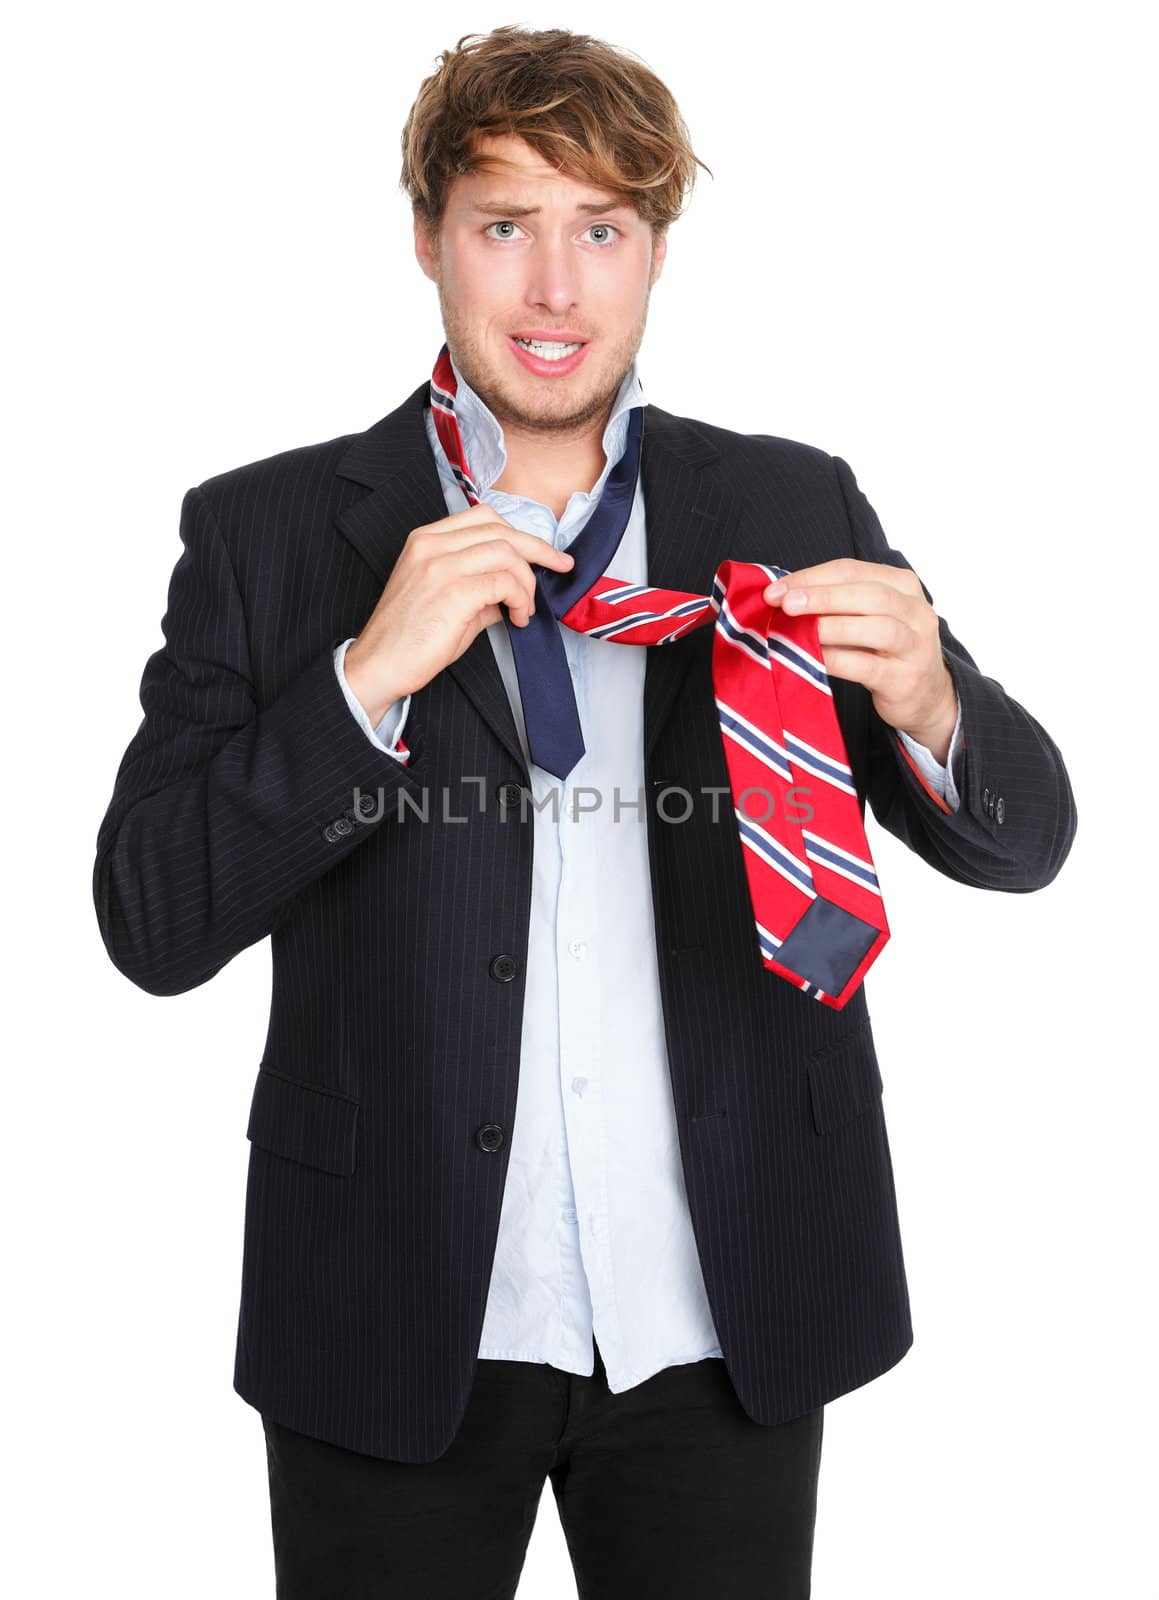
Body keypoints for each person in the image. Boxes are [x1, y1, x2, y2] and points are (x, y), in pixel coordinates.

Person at [92, 23, 1077, 1599]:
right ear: (429, 239)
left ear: (655, 256)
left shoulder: (787, 501)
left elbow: (1027, 839)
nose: (554, 291)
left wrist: (935, 707)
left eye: (600, 230)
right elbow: (148, 920)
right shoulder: (269, 532)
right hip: (394, 1305)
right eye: (505, 226)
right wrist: (361, 683)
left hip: (725, 1301)